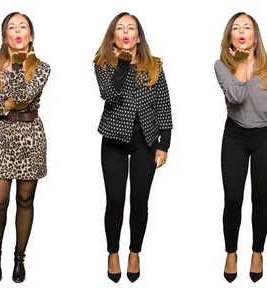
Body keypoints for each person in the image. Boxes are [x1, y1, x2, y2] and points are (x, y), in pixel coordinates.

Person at [93, 12, 173, 283]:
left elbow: (164, 104)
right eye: (120, 28)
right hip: (114, 141)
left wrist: (165, 143)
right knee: (115, 200)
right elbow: (110, 95)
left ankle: (135, 252)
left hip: (146, 142)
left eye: (131, 28)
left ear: (139, 36)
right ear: (113, 36)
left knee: (140, 200)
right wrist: (122, 63)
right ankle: (112, 252)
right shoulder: (103, 63)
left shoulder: (154, 65)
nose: (125, 31)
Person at [214, 12, 267, 283]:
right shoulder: (221, 66)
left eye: (247, 27)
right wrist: (241, 64)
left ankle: (257, 252)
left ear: (255, 36)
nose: (241, 31)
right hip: (234, 137)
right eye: (236, 28)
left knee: (261, 199)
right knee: (233, 199)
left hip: (264, 138)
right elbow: (236, 97)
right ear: (230, 36)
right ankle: (231, 253)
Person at [0, 12, 51, 284]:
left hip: (31, 137)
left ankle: (19, 257)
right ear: (4, 34)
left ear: (30, 35)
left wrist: (19, 67)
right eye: (12, 26)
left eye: (23, 27)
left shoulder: (41, 67)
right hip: (0, 136)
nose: (17, 31)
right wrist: (5, 107)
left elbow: (22, 97)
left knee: (25, 200)